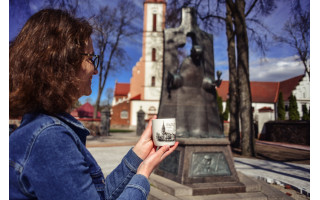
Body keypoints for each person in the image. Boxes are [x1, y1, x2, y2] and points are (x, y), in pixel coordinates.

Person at [9, 9, 178, 200]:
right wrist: (143, 175)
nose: (95, 70)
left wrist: (139, 154)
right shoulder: (49, 138)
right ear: (63, 61)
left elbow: (99, 195)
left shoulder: (45, 128)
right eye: (90, 58)